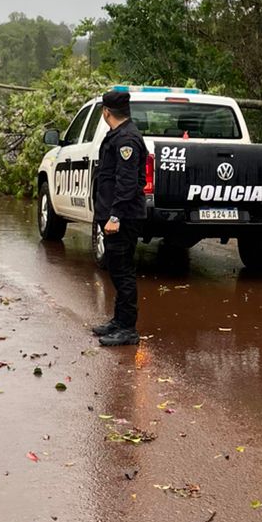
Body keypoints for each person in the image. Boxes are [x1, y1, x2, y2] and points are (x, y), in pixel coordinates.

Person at [91, 88, 147, 347]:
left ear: (106, 112)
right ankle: (119, 320)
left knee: (122, 270)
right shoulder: (119, 135)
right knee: (116, 267)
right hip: (116, 215)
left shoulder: (126, 139)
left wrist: (115, 216)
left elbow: (126, 182)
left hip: (123, 216)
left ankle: (128, 329)